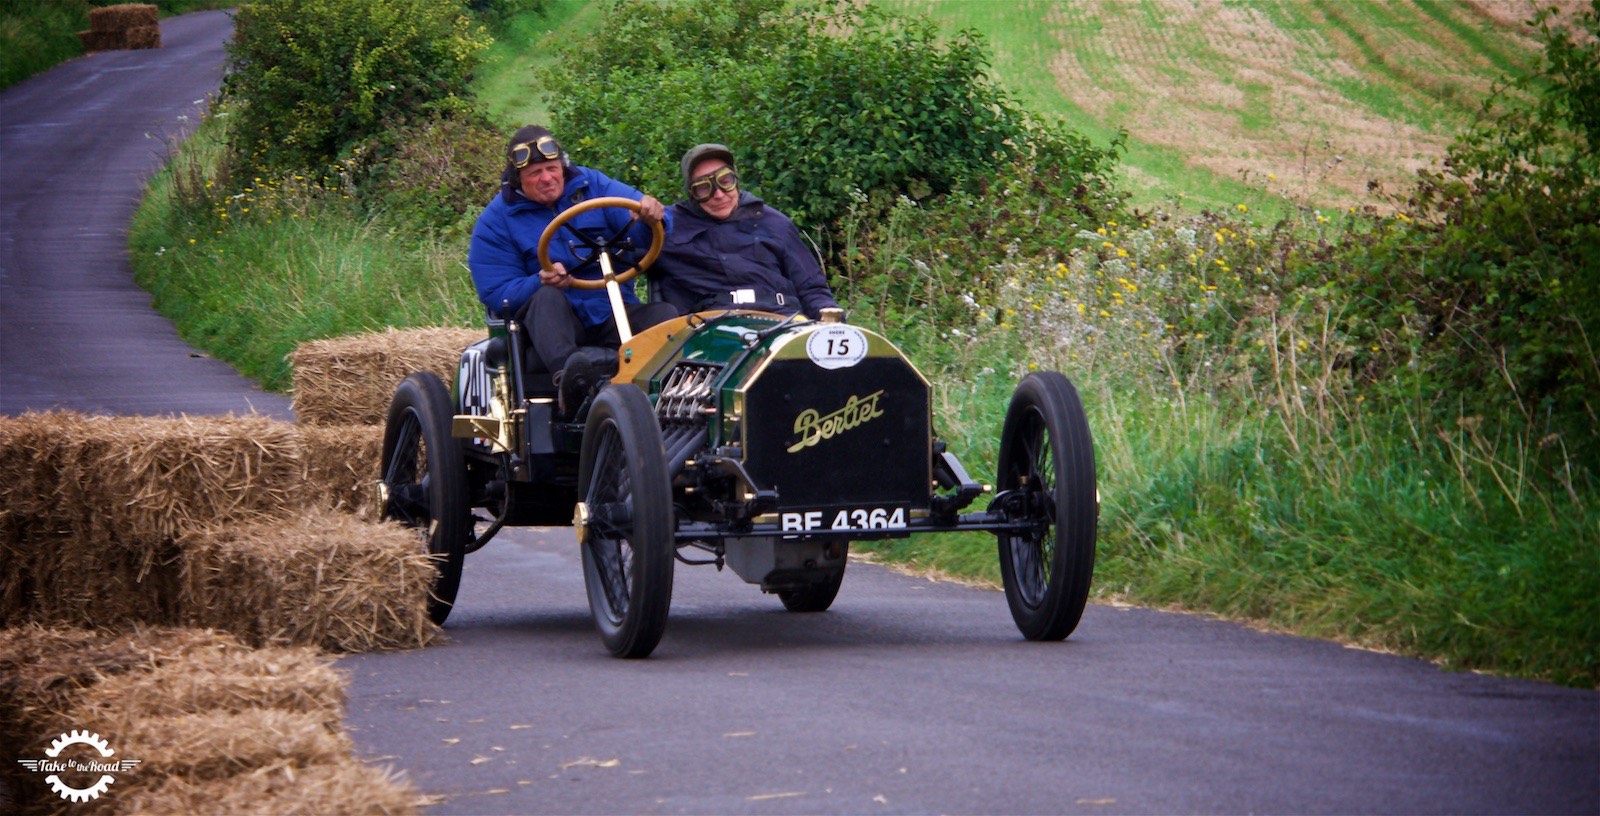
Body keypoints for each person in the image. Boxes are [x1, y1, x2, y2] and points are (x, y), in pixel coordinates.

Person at [468, 125, 678, 378]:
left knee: (664, 316)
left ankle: (662, 392)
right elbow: (495, 291)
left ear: (563, 167)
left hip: (611, 309)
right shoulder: (495, 220)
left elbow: (650, 228)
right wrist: (538, 281)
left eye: (552, 169)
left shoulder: (594, 186)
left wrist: (651, 217)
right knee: (546, 297)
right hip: (555, 324)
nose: (547, 178)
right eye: (535, 173)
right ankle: (571, 379)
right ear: (517, 179)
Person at [651, 144, 840, 320]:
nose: (719, 195)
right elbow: (625, 257)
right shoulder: (666, 228)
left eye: (725, 181)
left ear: (736, 179)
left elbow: (811, 287)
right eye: (704, 188)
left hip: (783, 321)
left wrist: (829, 321)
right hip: (712, 331)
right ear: (691, 193)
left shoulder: (775, 223)